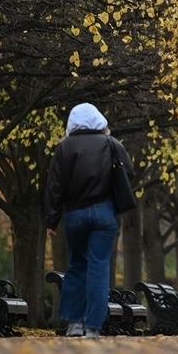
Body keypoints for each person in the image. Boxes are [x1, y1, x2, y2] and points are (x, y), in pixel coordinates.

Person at [45, 103, 134, 339]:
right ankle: (93, 327)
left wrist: (52, 220)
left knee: (76, 265)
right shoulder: (111, 144)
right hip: (105, 213)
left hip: (75, 213)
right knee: (98, 268)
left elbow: (54, 187)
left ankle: (74, 324)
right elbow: (129, 172)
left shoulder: (64, 148)